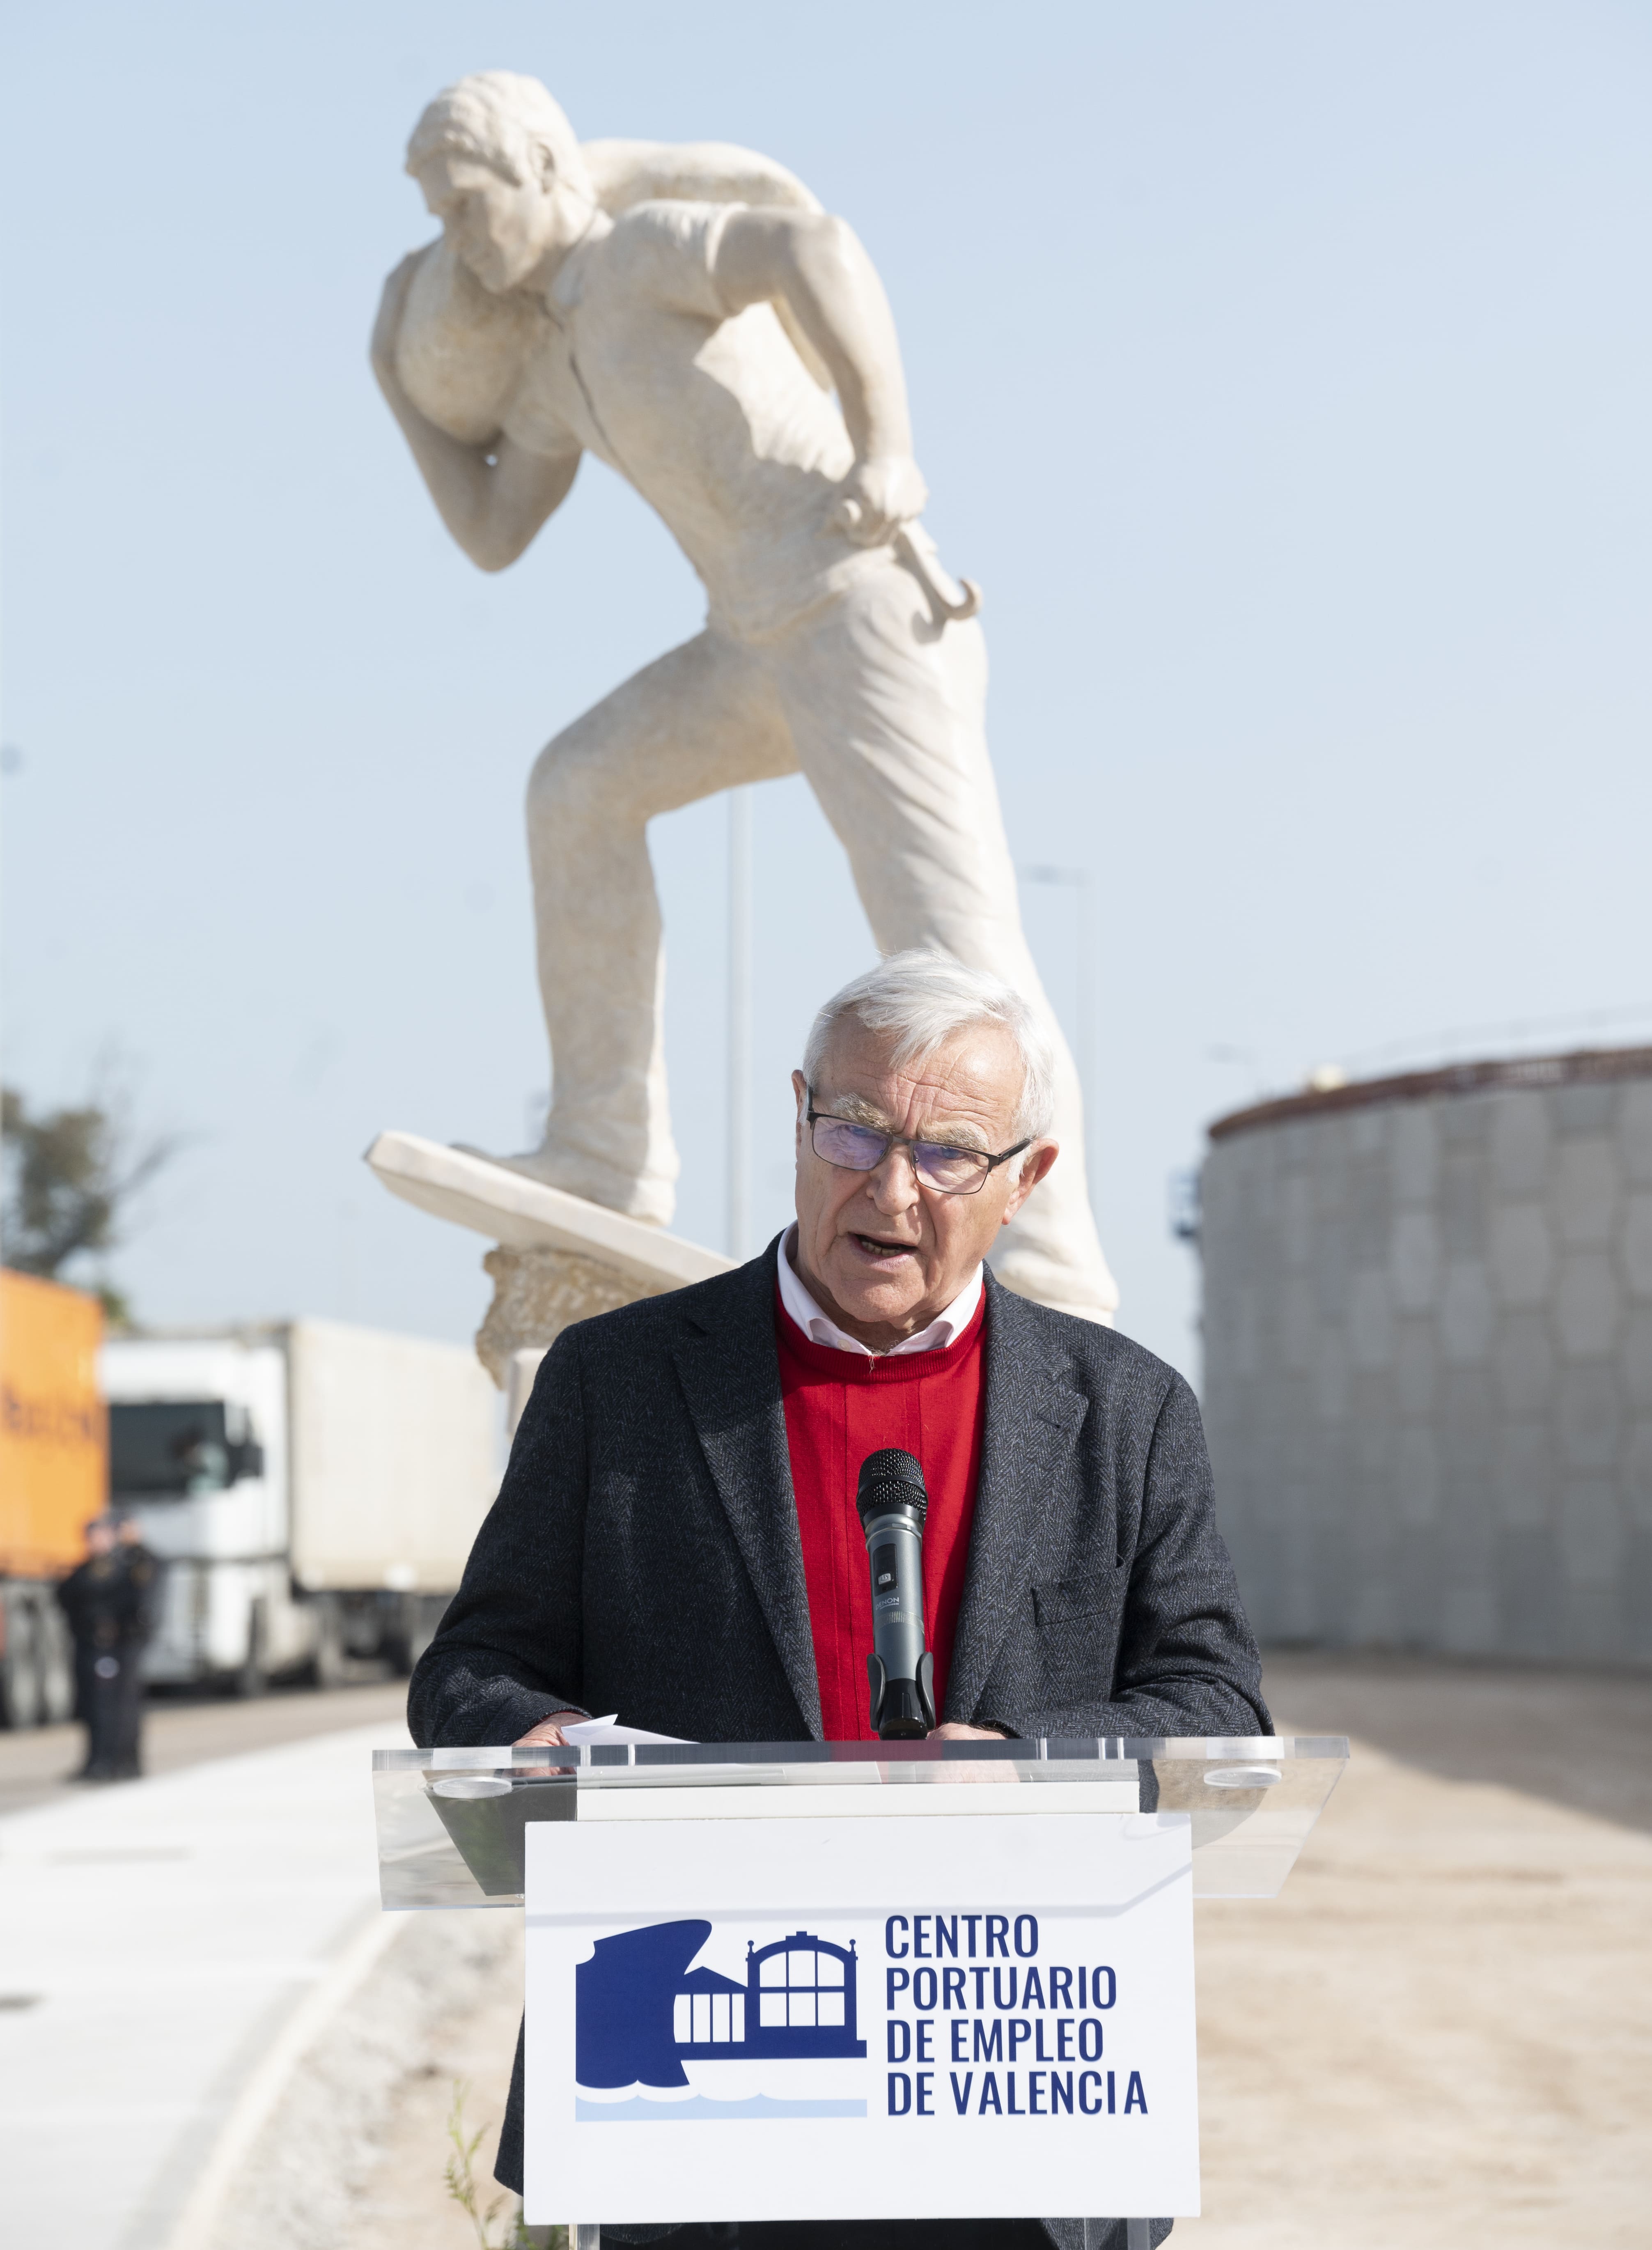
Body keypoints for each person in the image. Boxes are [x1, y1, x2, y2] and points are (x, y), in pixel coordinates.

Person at [411, 951, 1269, 2250]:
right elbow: (471, 1672)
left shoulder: (1127, 1409)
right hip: (700, 2106)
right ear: (800, 1111)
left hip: (1011, 2104)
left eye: (946, 1151)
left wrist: (1031, 1764)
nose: (889, 1183)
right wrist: (548, 1740)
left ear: (1025, 1180)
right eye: (854, 1126)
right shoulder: (617, 1380)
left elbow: (1214, 1708)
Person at [372, 71, 1117, 1323]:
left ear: (547, 169)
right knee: (580, 786)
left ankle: (1059, 1282)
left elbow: (810, 247)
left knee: (958, 951)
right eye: (441, 215)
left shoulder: (642, 252)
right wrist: (401, 389)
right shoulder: (555, 365)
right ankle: (606, 1153)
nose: (462, 235)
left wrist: (886, 439)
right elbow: (495, 529)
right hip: (754, 646)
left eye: (471, 201)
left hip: (862, 607)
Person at [57, 1516, 158, 1781]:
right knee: (94, 1707)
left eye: (100, 1536)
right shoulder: (84, 1571)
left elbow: (145, 1586)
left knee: (122, 1708)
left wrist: (137, 1545)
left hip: (122, 1646)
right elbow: (66, 1599)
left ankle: (123, 1762)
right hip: (92, 1645)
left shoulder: (128, 1565)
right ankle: (99, 1761)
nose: (95, 1542)